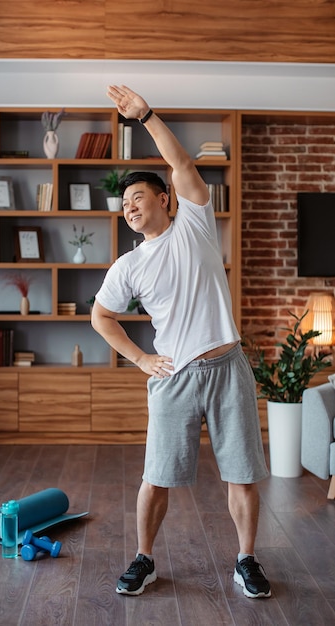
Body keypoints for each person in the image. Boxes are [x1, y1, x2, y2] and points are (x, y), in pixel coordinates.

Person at [91, 84, 271, 599]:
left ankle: (246, 559)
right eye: (123, 203)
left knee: (241, 475)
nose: (129, 207)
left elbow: (183, 164)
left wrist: (144, 115)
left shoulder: (194, 223)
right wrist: (141, 358)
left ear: (165, 199)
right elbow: (102, 317)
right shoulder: (128, 266)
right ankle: (144, 558)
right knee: (157, 476)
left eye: (138, 198)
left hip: (227, 366)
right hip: (175, 376)